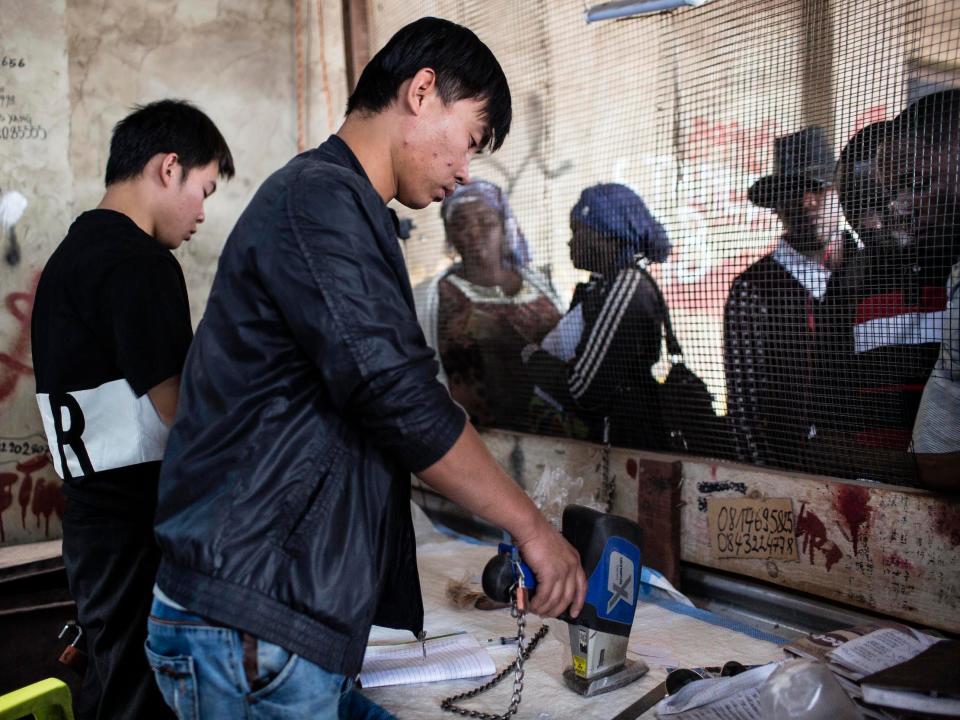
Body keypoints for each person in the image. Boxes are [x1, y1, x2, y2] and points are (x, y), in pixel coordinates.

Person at [147, 18, 586, 719]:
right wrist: (532, 529)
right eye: (470, 138)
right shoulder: (318, 202)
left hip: (274, 619)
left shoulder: (346, 210)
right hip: (250, 624)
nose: (466, 171)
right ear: (421, 92)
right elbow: (397, 396)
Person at [30, 99, 234, 720]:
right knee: (140, 692)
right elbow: (183, 410)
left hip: (92, 521)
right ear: (167, 168)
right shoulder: (142, 264)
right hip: (136, 525)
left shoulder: (70, 257)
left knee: (113, 675)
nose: (202, 213)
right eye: (203, 189)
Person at [724, 127, 848, 470]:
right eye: (793, 191)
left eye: (818, 189)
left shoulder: (867, 270)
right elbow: (744, 410)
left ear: (839, 194)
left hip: (866, 465)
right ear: (777, 205)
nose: (807, 201)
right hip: (789, 469)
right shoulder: (754, 290)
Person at [522, 183, 672, 450]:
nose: (570, 241)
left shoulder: (627, 286)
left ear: (607, 235)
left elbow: (583, 390)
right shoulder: (600, 287)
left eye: (577, 230)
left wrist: (531, 357)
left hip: (617, 449)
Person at [414, 179, 563, 431]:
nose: (474, 232)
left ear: (504, 227)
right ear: (450, 234)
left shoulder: (539, 284)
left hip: (550, 433)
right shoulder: (432, 295)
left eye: (486, 221)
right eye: (461, 224)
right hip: (473, 436)